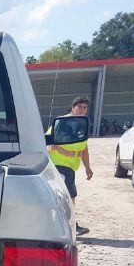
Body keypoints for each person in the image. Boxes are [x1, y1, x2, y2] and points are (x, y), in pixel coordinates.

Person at [47, 96, 94, 235]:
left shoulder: (83, 123)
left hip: (70, 167)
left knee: (66, 196)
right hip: (60, 164)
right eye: (79, 107)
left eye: (85, 107)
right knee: (68, 196)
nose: (82, 110)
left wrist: (87, 167)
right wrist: (60, 150)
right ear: (73, 107)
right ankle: (71, 227)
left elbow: (84, 148)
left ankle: (63, 226)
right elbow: (49, 141)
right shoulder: (63, 122)